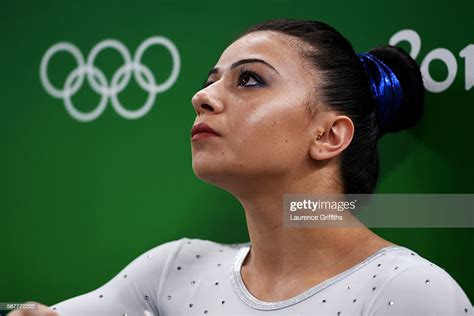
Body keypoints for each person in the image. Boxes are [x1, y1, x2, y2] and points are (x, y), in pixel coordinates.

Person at [9, 19, 473, 316]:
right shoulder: (173, 269)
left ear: (329, 136)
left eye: (249, 79)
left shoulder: (411, 292)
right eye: (209, 82)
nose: (202, 97)